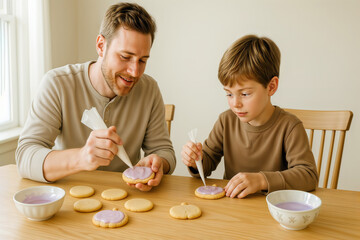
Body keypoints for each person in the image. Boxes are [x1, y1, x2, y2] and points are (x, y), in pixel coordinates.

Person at [16, 2, 175, 191]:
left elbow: (164, 152)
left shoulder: (149, 89)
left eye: (142, 60)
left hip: (127, 199)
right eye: (125, 57)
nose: (134, 71)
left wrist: (159, 164)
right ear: (101, 45)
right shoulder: (57, 84)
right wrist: (81, 157)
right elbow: (25, 156)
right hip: (69, 202)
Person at [181, 35, 318, 198]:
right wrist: (196, 160)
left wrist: (261, 180)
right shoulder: (226, 121)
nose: (235, 104)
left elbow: (308, 176)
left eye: (245, 94)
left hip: (273, 210)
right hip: (233, 209)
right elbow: (208, 162)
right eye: (229, 94)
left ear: (271, 86)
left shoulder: (289, 126)